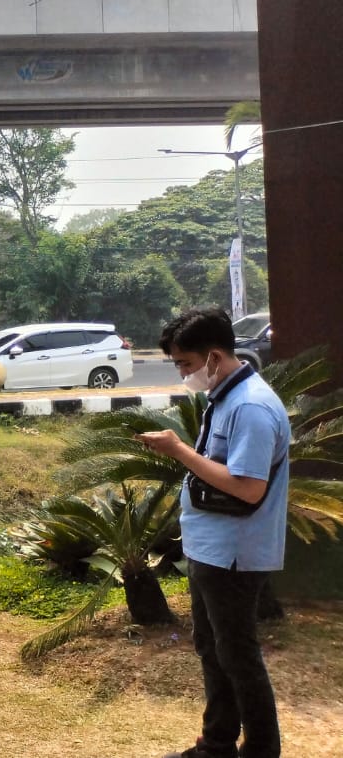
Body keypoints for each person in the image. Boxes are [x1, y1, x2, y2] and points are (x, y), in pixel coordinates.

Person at [138, 308, 290, 758]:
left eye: (185, 364)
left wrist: (179, 450)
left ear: (215, 356)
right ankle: (217, 743)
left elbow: (247, 487)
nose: (183, 374)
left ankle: (261, 751)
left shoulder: (251, 407)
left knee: (238, 656)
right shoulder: (225, 397)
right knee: (213, 647)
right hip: (212, 549)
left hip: (235, 555)